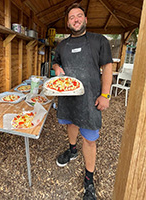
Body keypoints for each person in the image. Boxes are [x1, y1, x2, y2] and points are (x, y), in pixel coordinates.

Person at [52, 3, 113, 200]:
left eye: (79, 16)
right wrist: (56, 68)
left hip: (90, 100)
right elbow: (56, 61)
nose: (76, 19)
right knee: (70, 123)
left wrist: (105, 95)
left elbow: (107, 68)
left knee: (90, 138)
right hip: (68, 96)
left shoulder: (99, 41)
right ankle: (72, 151)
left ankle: (89, 178)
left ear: (85, 20)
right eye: (72, 17)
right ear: (68, 22)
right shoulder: (62, 45)